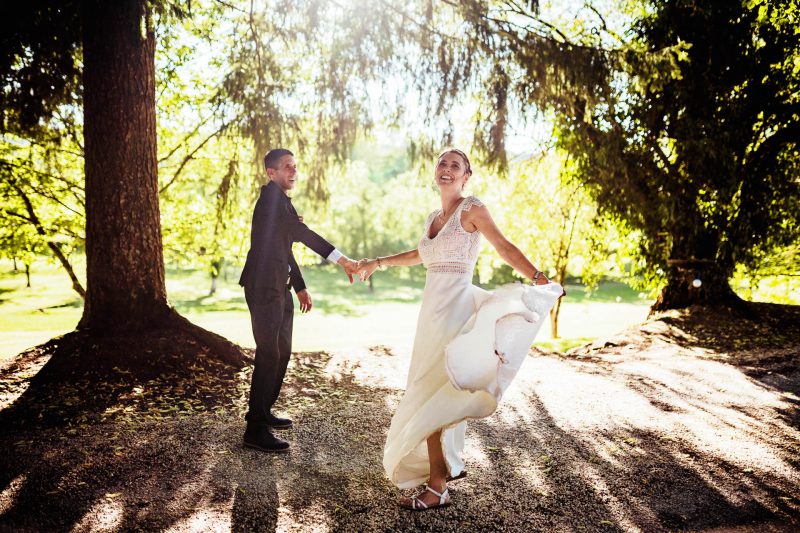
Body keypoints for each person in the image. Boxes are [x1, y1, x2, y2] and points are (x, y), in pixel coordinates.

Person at [358, 148, 562, 510]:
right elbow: (420, 255)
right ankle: (442, 473)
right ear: (435, 171)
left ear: (466, 176)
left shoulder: (472, 209)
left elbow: (503, 247)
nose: (447, 169)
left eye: (456, 165)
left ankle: (438, 485)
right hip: (431, 315)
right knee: (426, 389)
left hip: (456, 312)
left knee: (436, 391)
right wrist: (378, 262)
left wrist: (538, 276)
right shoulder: (432, 218)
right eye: (443, 163)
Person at [239, 148, 359, 453]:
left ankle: (263, 411)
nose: (293, 171)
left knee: (281, 352)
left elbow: (284, 245)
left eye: (295, 166)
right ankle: (254, 429)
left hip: (280, 286)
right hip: (263, 287)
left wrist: (299, 285)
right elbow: (302, 235)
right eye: (287, 167)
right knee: (269, 353)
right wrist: (343, 260)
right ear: (271, 173)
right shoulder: (271, 200)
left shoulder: (281, 202)